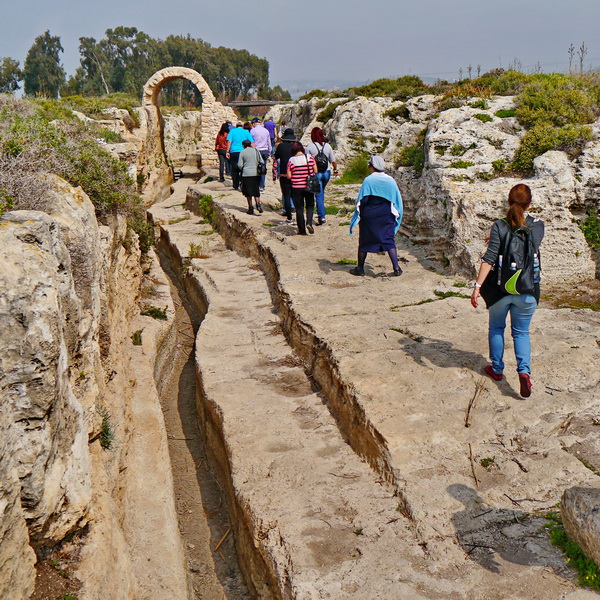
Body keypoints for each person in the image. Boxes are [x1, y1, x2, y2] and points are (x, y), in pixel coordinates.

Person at [470, 183, 544, 398]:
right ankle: (524, 372)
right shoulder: (538, 225)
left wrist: (477, 287)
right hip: (528, 289)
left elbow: (489, 259)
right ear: (530, 203)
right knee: (521, 332)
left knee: (496, 328)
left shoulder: (499, 226)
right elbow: (527, 244)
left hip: (500, 290)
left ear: (507, 202)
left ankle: (497, 368)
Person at [349, 155, 403, 276]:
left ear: (372, 167)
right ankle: (396, 267)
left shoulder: (368, 180)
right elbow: (396, 200)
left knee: (364, 240)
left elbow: (364, 198)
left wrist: (361, 212)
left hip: (369, 214)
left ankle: (360, 269)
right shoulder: (390, 180)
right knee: (388, 239)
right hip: (385, 213)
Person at [305, 127, 339, 225]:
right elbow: (333, 161)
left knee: (318, 195)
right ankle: (321, 212)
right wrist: (335, 170)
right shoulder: (327, 146)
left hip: (316, 172)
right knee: (321, 192)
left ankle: (322, 217)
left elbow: (307, 161)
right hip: (327, 172)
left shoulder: (310, 147)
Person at [286, 141, 317, 235]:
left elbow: (289, 176)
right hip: (309, 185)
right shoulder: (309, 157)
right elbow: (315, 170)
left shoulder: (291, 160)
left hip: (296, 187)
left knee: (299, 208)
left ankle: (302, 230)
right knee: (310, 205)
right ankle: (309, 223)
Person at [274, 127, 296, 223]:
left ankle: (289, 216)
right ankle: (296, 210)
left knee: (286, 195)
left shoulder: (280, 146)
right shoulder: (296, 147)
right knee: (295, 194)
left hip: (284, 173)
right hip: (295, 174)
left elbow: (276, 156)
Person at [237, 139, 264, 215]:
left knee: (248, 192)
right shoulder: (256, 151)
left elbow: (240, 165)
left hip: (246, 174)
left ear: (243, 146)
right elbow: (261, 161)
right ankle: (258, 204)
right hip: (256, 173)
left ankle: (250, 208)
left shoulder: (242, 152)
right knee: (256, 190)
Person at [226, 121, 254, 191]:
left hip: (234, 152)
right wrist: (254, 151)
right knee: (243, 168)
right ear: (242, 126)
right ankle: (243, 184)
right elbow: (252, 142)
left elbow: (229, 141)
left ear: (236, 125)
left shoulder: (232, 131)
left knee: (234, 169)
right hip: (244, 151)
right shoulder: (246, 132)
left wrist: (227, 151)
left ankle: (236, 185)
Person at [250, 117, 272, 190]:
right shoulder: (266, 131)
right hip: (264, 150)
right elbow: (269, 142)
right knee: (263, 168)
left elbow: (251, 142)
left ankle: (256, 184)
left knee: (255, 168)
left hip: (256, 150)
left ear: (254, 123)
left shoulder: (252, 131)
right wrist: (269, 152)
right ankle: (262, 185)